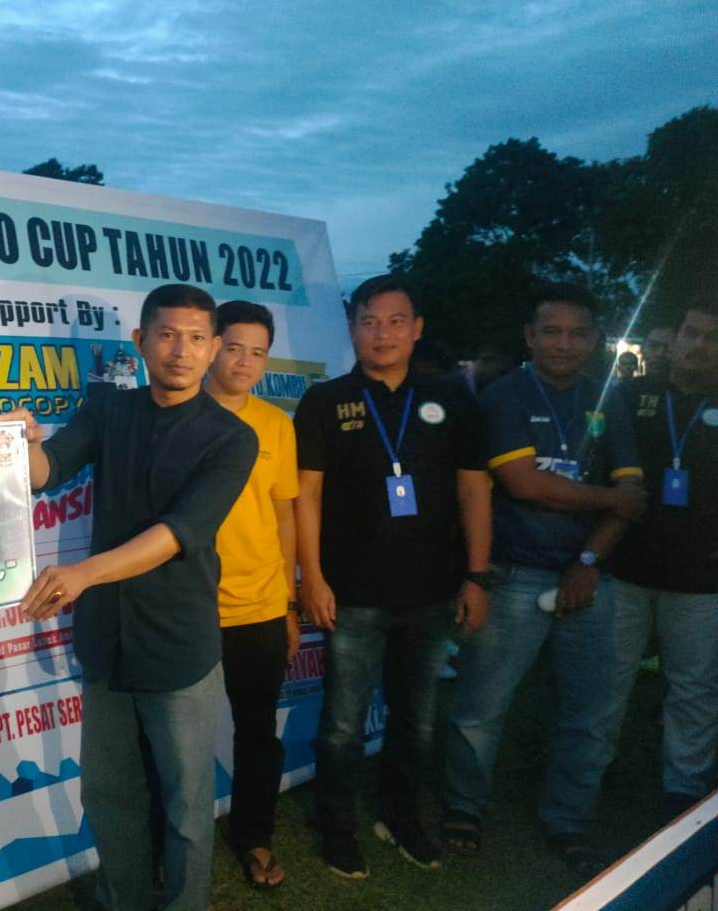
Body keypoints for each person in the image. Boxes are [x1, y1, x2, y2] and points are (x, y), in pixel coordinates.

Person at [0, 283, 257, 911]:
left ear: (214, 348)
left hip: (178, 643)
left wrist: (83, 575)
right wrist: (22, 442)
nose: (181, 351)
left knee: (186, 805)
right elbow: (47, 471)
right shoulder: (110, 411)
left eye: (196, 338)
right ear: (140, 341)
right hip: (108, 639)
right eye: (167, 335)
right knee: (109, 795)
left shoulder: (231, 437)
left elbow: (175, 535)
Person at [441, 283, 645, 877]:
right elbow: (524, 484)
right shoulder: (505, 395)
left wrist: (589, 561)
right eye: (550, 332)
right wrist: (609, 499)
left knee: (591, 711)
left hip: (589, 577)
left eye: (577, 333)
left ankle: (568, 818)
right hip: (514, 573)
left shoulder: (608, 398)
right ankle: (465, 805)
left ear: (595, 340)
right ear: (529, 337)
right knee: (482, 706)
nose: (563, 343)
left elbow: (633, 497)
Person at [294, 274, 492, 879]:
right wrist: (312, 578)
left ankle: (401, 816)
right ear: (352, 328)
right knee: (343, 723)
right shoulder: (324, 401)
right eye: (369, 321)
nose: (382, 334)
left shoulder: (452, 399)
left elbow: (474, 490)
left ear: (418, 329)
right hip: (351, 593)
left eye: (396, 321)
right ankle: (338, 827)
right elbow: (306, 496)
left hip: (432, 591)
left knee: (417, 721)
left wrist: (477, 576)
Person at [602, 298, 718, 820]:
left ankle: (683, 789)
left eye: (711, 338)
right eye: (692, 333)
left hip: (701, 575)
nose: (699, 346)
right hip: (628, 565)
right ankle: (593, 766)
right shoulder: (631, 396)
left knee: (693, 686)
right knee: (610, 675)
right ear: (676, 337)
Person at [204, 300, 299, 889]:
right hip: (188, 608)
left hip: (260, 605)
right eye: (233, 347)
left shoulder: (275, 424)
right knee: (174, 737)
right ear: (211, 346)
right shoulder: (177, 412)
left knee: (258, 732)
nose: (244, 362)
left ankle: (254, 836)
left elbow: (284, 515)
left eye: (257, 352)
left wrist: (286, 602)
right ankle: (172, 841)